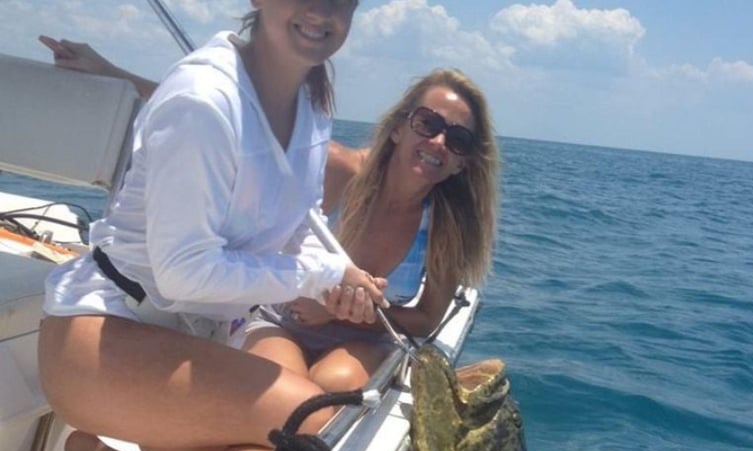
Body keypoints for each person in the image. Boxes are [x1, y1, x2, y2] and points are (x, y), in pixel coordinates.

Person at [36, 0, 381, 451]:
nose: (322, 10)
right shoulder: (203, 99)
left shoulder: (311, 103)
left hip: (180, 342)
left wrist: (340, 272)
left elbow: (296, 218)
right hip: (103, 335)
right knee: (309, 425)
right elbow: (182, 275)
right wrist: (315, 276)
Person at [38, 35, 500, 392]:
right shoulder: (337, 169)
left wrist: (352, 316)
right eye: (428, 124)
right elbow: (226, 126)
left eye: (457, 141)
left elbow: (425, 319)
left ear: (463, 161)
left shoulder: (447, 229)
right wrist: (110, 72)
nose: (438, 142)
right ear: (400, 127)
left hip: (364, 339)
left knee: (333, 387)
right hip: (280, 318)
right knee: (285, 396)